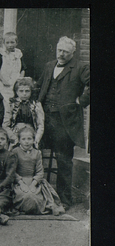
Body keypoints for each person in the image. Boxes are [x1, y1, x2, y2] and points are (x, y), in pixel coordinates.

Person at [36, 36, 90, 209]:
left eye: (66, 52)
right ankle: (38, 197)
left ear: (73, 53)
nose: (62, 54)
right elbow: (40, 85)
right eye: (60, 50)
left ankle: (64, 200)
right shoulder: (49, 65)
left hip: (65, 121)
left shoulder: (81, 67)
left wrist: (81, 101)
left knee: (64, 160)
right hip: (45, 118)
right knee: (33, 153)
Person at [11, 127, 65, 215]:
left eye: (29, 138)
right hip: (19, 181)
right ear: (19, 140)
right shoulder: (15, 152)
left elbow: (40, 172)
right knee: (25, 196)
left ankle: (48, 207)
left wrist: (33, 184)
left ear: (33, 140)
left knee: (35, 197)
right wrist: (21, 183)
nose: (26, 141)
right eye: (23, 139)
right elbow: (12, 171)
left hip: (34, 181)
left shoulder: (37, 153)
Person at [2, 77, 44, 150]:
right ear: (16, 92)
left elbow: (40, 125)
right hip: (15, 134)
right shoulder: (11, 104)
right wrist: (14, 138)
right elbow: (5, 125)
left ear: (31, 91)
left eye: (27, 91)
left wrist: (36, 139)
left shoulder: (36, 104)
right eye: (21, 91)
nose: (24, 94)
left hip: (31, 136)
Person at [0, 32, 27, 104]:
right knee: (4, 100)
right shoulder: (1, 53)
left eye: (12, 42)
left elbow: (23, 69)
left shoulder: (18, 54)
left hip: (16, 81)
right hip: (3, 81)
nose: (10, 45)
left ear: (16, 43)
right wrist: (3, 80)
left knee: (15, 99)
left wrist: (20, 79)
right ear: (4, 43)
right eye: (7, 43)